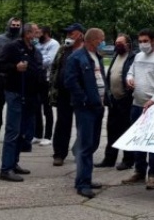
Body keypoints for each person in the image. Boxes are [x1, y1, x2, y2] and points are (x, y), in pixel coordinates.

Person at [122, 28, 154, 189]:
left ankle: (153, 174)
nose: (143, 44)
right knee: (138, 140)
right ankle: (139, 171)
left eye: (145, 41)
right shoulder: (137, 56)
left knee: (152, 142)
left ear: (153, 41)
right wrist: (129, 79)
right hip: (136, 104)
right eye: (140, 41)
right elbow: (130, 72)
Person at [0, 22, 43, 182]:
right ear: (28, 33)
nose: (38, 35)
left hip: (30, 95)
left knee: (25, 132)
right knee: (13, 131)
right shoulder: (13, 47)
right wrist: (15, 67)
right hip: (16, 93)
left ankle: (14, 163)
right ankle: (6, 168)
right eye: (35, 32)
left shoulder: (33, 50)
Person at [64, 28, 107, 198]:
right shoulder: (77, 57)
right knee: (85, 145)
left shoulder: (98, 56)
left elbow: (100, 79)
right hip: (85, 108)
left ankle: (86, 178)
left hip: (98, 106)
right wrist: (83, 99)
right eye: (102, 39)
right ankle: (82, 184)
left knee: (93, 144)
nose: (103, 42)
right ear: (94, 40)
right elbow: (70, 82)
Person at [95, 33, 136, 170]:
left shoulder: (133, 58)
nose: (117, 45)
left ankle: (128, 160)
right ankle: (109, 158)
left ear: (128, 45)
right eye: (116, 42)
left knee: (126, 131)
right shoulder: (116, 56)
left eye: (120, 43)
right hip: (113, 100)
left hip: (126, 100)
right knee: (112, 130)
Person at [49, 23, 84, 166]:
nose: (69, 36)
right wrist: (53, 85)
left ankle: (80, 151)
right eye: (68, 33)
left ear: (81, 35)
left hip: (81, 93)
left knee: (83, 124)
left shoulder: (87, 50)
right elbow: (54, 68)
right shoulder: (63, 50)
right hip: (63, 93)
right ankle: (59, 154)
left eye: (72, 33)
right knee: (63, 123)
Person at [0, 18, 22, 143]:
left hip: (16, 78)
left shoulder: (21, 41)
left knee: (15, 107)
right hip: (0, 76)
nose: (15, 27)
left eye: (17, 25)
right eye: (13, 24)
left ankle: (13, 132)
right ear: (8, 25)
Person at [34, 25, 58, 146]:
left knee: (47, 108)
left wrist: (35, 62)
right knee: (36, 107)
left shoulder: (53, 44)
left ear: (46, 33)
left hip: (47, 79)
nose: (37, 35)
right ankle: (37, 134)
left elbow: (49, 60)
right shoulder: (37, 45)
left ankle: (48, 136)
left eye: (39, 33)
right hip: (37, 78)